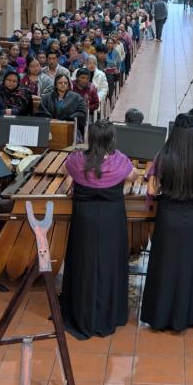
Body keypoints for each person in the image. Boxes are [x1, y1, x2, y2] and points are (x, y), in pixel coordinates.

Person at [61, 120, 138, 339]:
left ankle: (81, 311)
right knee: (108, 264)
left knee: (83, 263)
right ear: (111, 139)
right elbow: (133, 176)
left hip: (84, 219)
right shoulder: (120, 161)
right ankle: (108, 313)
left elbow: (65, 171)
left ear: (90, 138)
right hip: (111, 219)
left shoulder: (76, 160)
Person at [141, 114, 193, 331]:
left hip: (168, 216)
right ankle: (188, 316)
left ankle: (160, 315)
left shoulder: (163, 157)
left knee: (165, 264)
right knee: (189, 265)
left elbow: (152, 190)